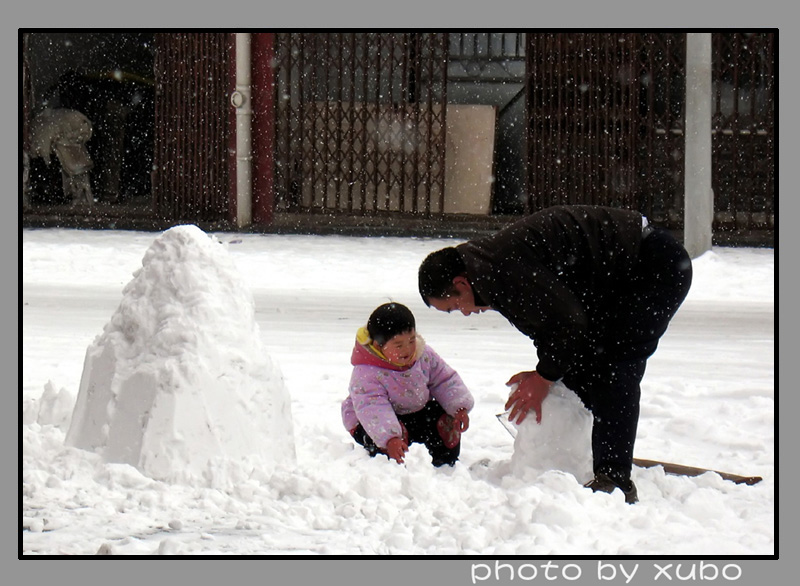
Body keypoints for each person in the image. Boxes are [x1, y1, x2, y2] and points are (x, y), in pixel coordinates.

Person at [418, 205, 693, 502]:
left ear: (461, 283)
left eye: (456, 306)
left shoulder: (502, 269)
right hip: (620, 277)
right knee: (587, 361)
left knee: (616, 366)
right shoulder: (488, 271)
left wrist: (545, 375)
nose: (465, 313)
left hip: (652, 265)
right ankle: (588, 453)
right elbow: (550, 327)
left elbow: (567, 323)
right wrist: (544, 372)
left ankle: (614, 478)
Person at [341, 302, 475, 467]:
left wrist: (459, 408)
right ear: (378, 346)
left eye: (411, 340)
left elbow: (443, 379)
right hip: (372, 420)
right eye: (399, 345)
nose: (407, 349)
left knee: (442, 421)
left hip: (415, 411)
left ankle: (446, 465)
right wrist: (389, 438)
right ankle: (389, 466)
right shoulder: (367, 372)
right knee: (383, 443)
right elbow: (372, 406)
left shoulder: (423, 355)